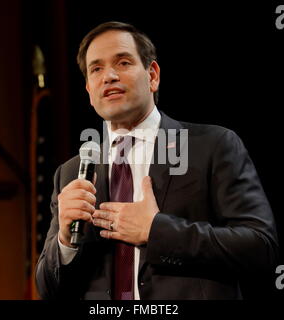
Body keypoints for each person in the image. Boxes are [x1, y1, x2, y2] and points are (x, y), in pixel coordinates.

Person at [35, 21, 279, 300]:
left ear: (152, 75)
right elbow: (48, 289)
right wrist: (65, 241)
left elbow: (261, 247)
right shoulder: (70, 173)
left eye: (123, 62)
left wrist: (157, 231)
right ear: (89, 90)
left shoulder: (212, 146)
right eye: (96, 69)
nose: (109, 76)